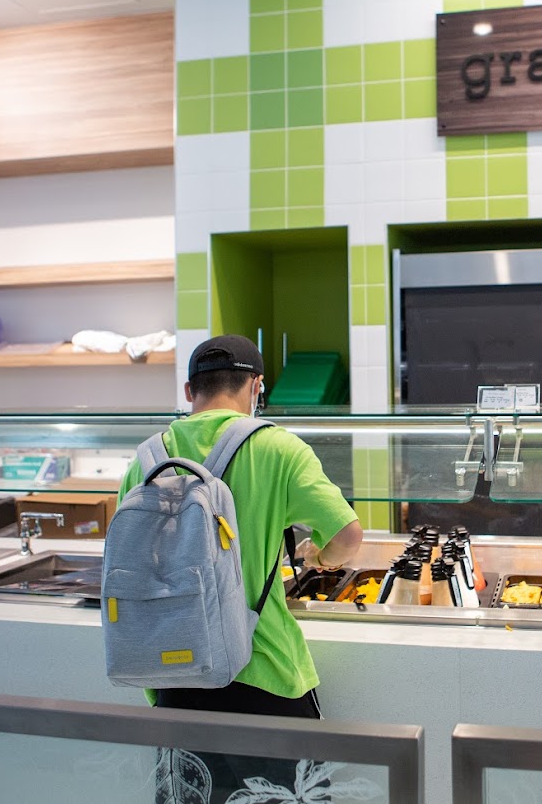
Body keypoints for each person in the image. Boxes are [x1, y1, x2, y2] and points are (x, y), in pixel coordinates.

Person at [117, 334, 363, 803]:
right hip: (262, 670)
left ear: (189, 391)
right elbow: (348, 537)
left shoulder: (146, 460)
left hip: (174, 675)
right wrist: (320, 557)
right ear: (257, 387)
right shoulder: (277, 448)